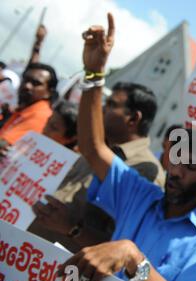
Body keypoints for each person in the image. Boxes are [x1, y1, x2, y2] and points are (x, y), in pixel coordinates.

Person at [58, 13, 196, 281]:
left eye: (190, 165)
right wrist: (94, 75)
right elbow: (92, 148)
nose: (176, 171)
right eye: (174, 159)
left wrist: (133, 259)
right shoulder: (138, 193)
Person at [29, 82, 166, 253]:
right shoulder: (94, 149)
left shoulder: (145, 172)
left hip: (61, 270)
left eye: (111, 105)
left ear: (133, 119)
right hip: (25, 253)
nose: (101, 109)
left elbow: (124, 249)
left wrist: (73, 228)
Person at [0, 62, 58, 151]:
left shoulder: (40, 115)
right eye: (25, 80)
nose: (27, 86)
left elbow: (4, 144)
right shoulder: (24, 109)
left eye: (36, 83)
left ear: (49, 92)